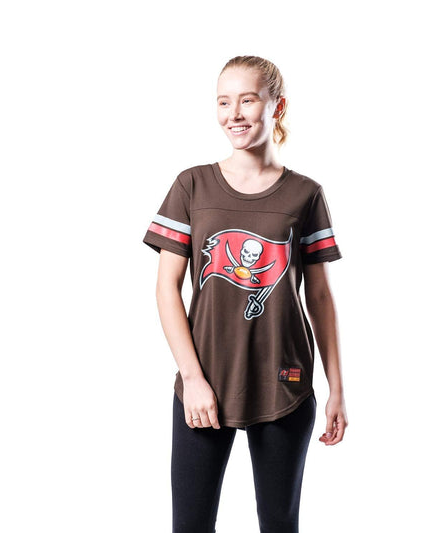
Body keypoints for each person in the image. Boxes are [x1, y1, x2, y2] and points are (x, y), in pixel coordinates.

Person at [142, 55, 348, 533]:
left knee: (279, 523)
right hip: (205, 382)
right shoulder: (191, 185)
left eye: (248, 100)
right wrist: (193, 379)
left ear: (277, 107)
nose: (234, 114)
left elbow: (320, 298)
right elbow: (167, 288)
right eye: (223, 102)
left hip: (284, 382)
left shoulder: (306, 194)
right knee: (190, 524)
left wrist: (336, 389)